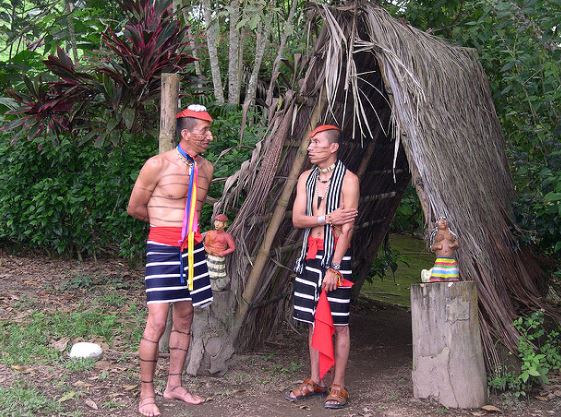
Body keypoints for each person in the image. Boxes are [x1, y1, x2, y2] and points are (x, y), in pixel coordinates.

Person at [127, 104, 214, 416]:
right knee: (158, 321)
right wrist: (165, 230)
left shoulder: (207, 169)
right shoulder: (157, 164)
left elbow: (197, 212)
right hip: (162, 249)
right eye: (205, 131)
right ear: (186, 133)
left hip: (192, 250)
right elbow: (135, 207)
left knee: (185, 318)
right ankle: (146, 393)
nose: (210, 136)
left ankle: (174, 385)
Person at [287, 124, 359, 409]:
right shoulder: (306, 178)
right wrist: (326, 218)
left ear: (333, 147)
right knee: (313, 321)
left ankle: (338, 385)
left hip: (334, 260)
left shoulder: (349, 180)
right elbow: (297, 219)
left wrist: (335, 267)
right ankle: (316, 378)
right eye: (310, 143)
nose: (310, 147)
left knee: (339, 323)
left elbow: (348, 228)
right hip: (310, 256)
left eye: (316, 143)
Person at [203, 213, 236, 291]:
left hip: (219, 258)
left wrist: (223, 253)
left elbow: (232, 248)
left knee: (218, 274)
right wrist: (207, 249)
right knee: (208, 272)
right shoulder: (210, 233)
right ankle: (207, 286)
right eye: (216, 221)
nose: (217, 224)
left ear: (224, 224)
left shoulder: (226, 236)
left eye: (220, 222)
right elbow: (206, 244)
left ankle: (217, 287)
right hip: (210, 257)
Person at [429, 217, 460, 282]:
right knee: (437, 276)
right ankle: (437, 277)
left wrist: (454, 245)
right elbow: (431, 247)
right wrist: (436, 246)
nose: (443, 221)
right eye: (440, 220)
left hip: (450, 260)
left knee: (452, 277)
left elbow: (457, 243)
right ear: (436, 222)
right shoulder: (435, 234)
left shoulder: (451, 233)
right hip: (440, 260)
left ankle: (451, 277)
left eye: (445, 220)